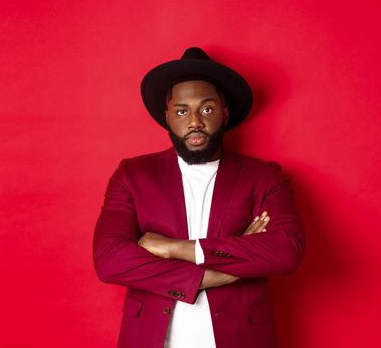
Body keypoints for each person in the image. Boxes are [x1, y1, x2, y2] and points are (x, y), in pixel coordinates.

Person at [93, 47, 305, 348]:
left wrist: (175, 248)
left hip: (242, 338)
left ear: (224, 113)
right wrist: (216, 275)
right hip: (152, 339)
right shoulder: (133, 174)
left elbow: (286, 250)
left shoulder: (264, 176)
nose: (195, 121)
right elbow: (109, 260)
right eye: (182, 111)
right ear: (166, 117)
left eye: (206, 109)